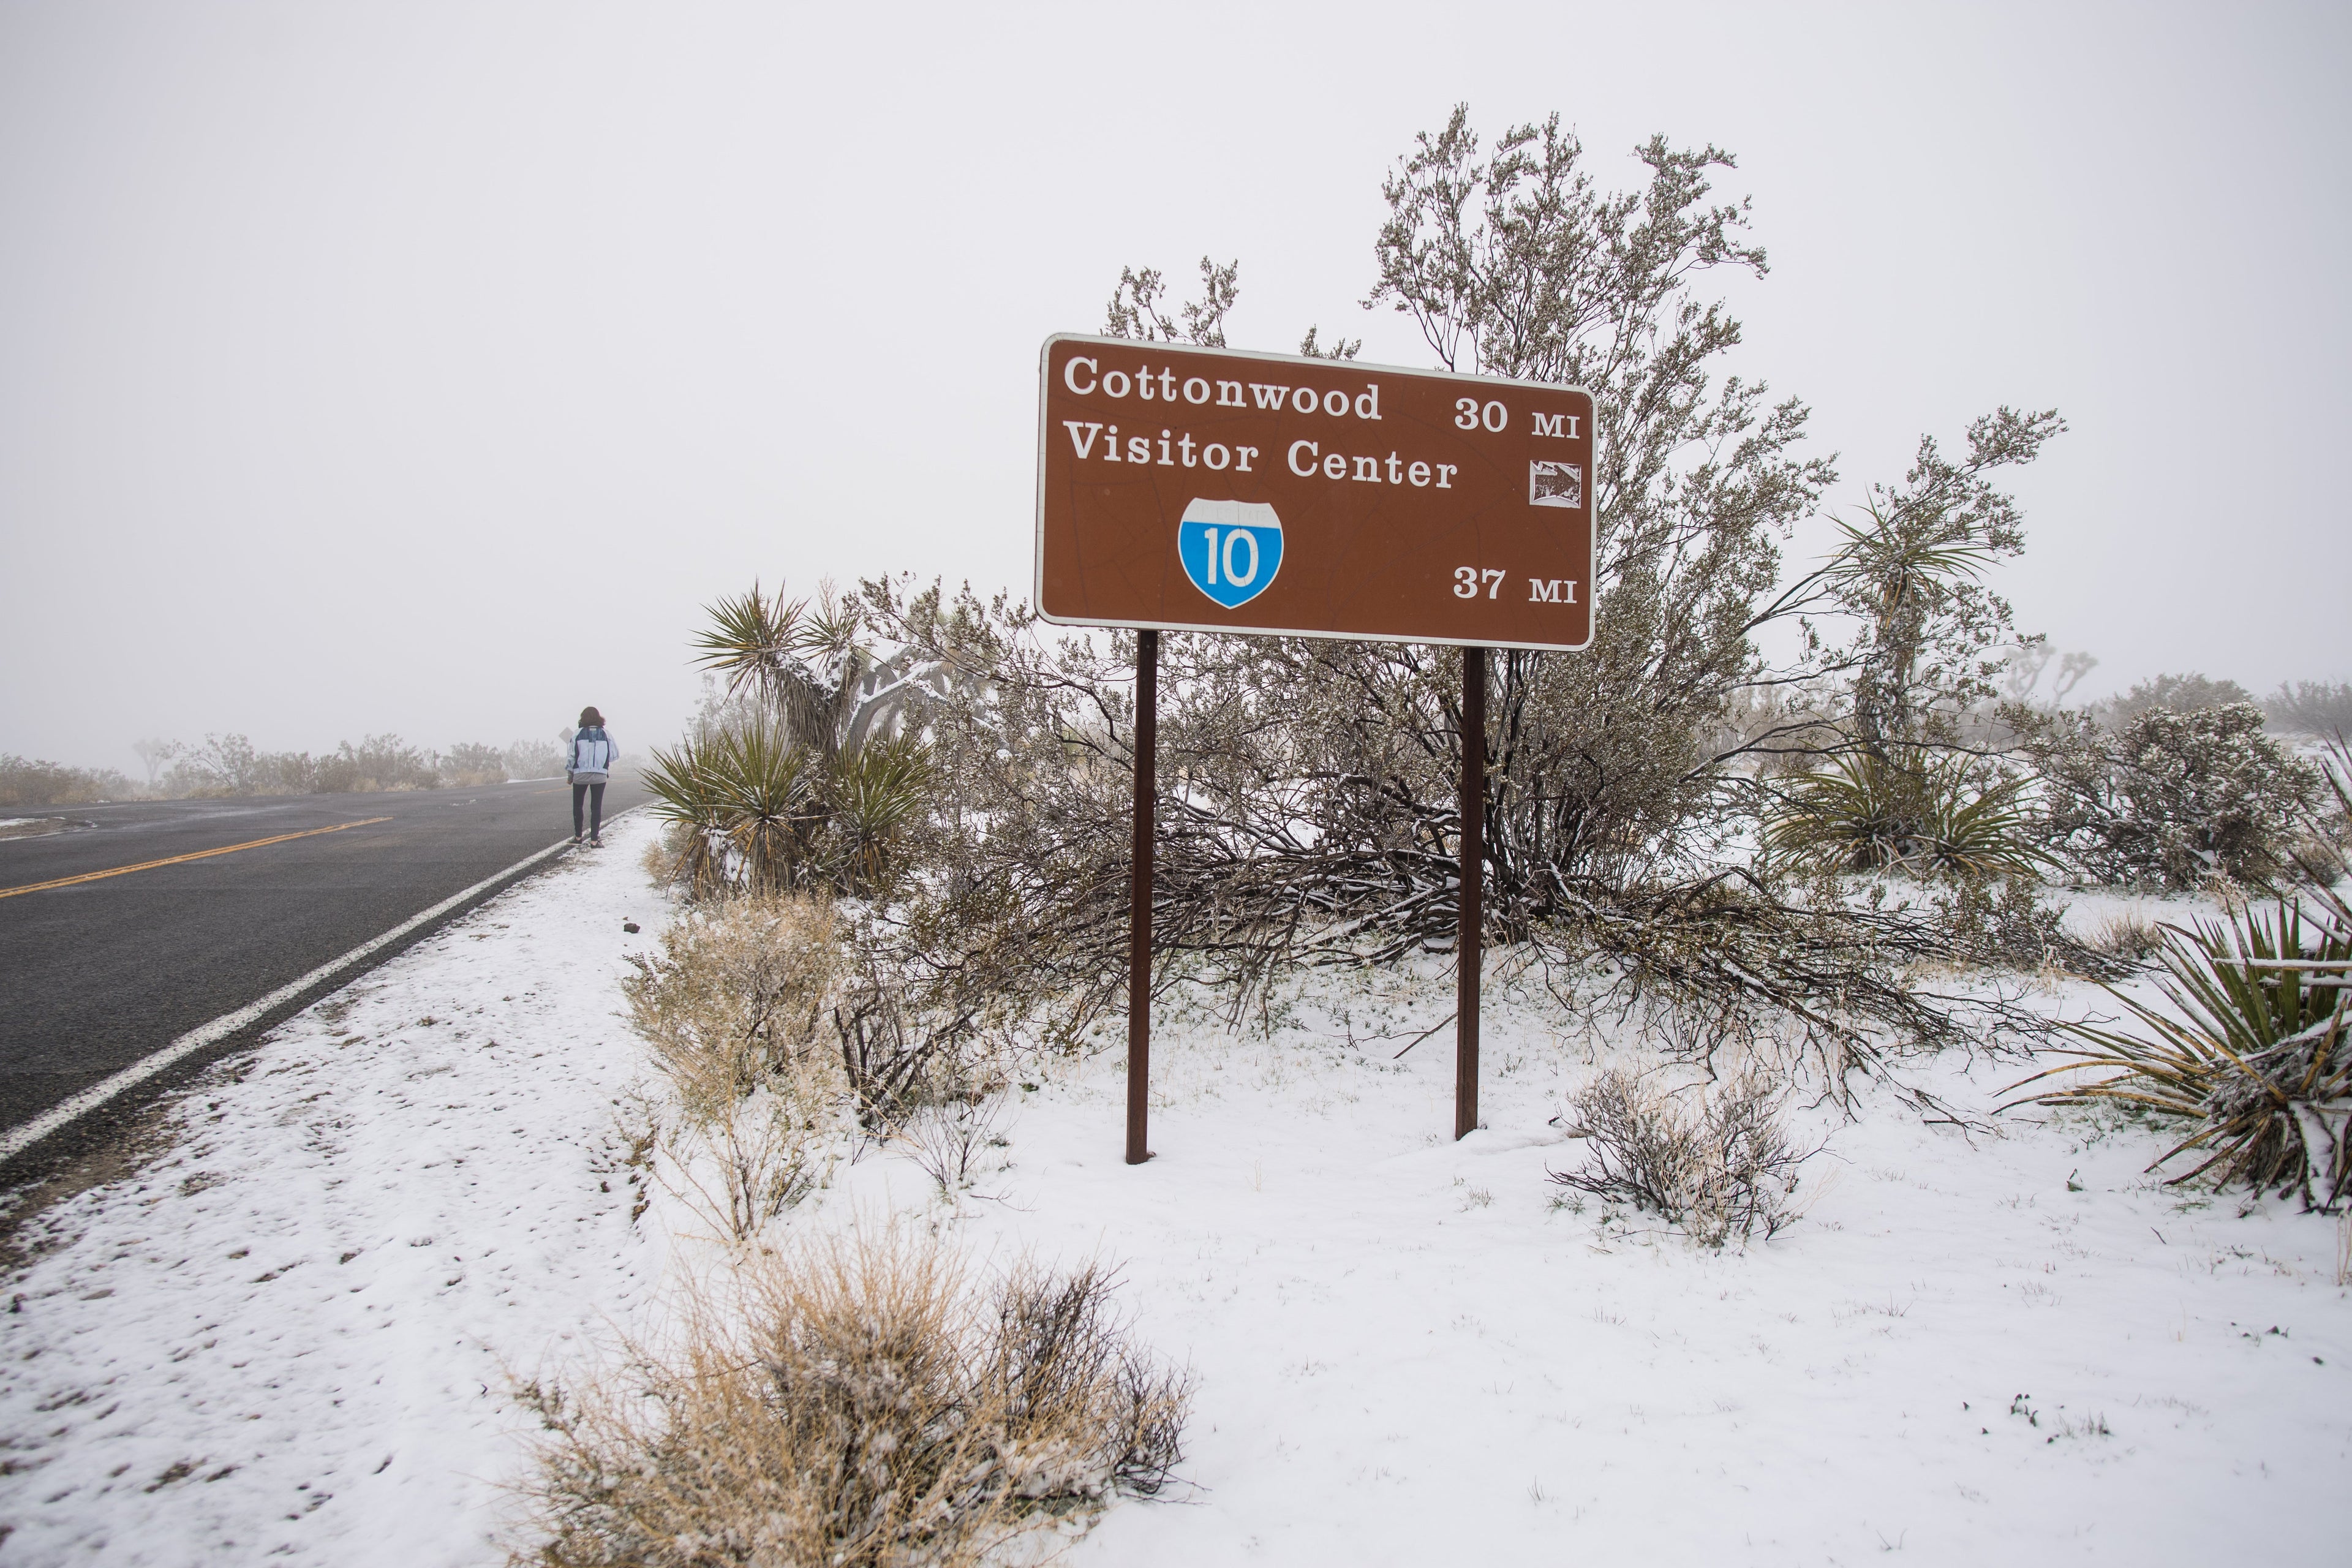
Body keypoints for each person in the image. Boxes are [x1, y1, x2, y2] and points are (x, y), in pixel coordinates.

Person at [567, 706, 618, 846]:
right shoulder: (606, 734)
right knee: (596, 807)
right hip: (600, 775)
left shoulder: (577, 734)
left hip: (580, 775)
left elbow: (571, 757)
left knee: (578, 806)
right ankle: (594, 840)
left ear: (582, 718)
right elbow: (614, 755)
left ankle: (578, 838)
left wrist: (570, 775)